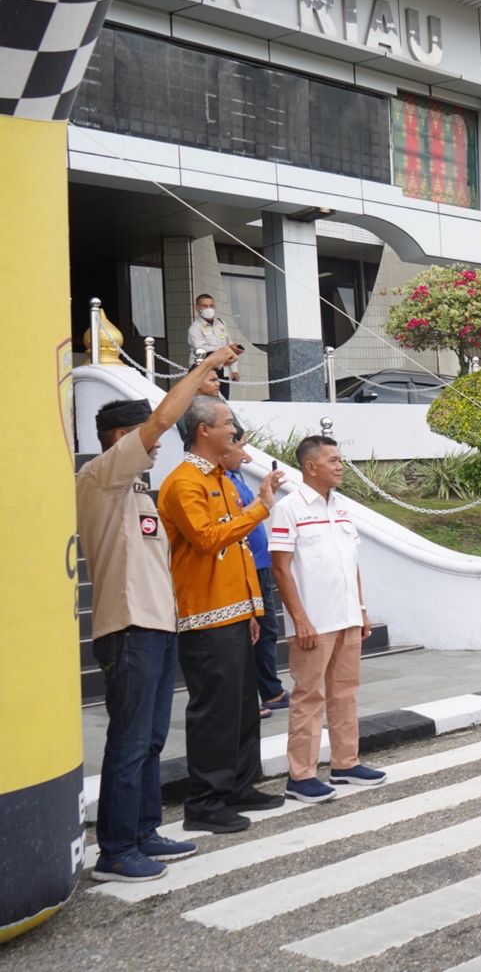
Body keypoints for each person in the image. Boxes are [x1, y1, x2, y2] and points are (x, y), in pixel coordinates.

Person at [76, 344, 242, 882]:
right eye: (146, 437)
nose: (156, 446)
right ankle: (116, 850)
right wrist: (203, 368)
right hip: (127, 629)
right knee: (128, 741)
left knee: (149, 740)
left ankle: (144, 831)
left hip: (157, 627)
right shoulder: (102, 477)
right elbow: (167, 415)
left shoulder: (141, 494)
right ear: (124, 440)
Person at [159, 395, 285, 833]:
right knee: (215, 711)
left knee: (242, 708)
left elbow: (240, 552)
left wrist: (253, 609)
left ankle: (238, 786)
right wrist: (260, 508)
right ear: (203, 431)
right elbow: (209, 539)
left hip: (235, 611)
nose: (235, 431)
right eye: (228, 423)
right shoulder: (183, 484)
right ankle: (206, 802)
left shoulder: (223, 480)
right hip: (205, 615)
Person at [270, 435, 386, 803]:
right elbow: (280, 569)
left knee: (345, 694)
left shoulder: (341, 507)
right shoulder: (289, 509)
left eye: (339, 459)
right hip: (314, 622)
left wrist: (361, 609)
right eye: (333, 460)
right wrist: (299, 619)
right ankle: (300, 775)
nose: (339, 466)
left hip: (347, 616)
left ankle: (345, 763)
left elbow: (350, 564)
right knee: (308, 696)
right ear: (311, 466)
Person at [220, 434, 289, 719]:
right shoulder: (220, 482)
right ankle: (256, 696)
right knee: (255, 632)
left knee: (267, 629)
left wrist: (266, 492)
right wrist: (263, 498)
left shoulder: (235, 477)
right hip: (244, 566)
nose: (246, 455)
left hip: (258, 564)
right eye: (239, 446)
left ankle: (270, 690)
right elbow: (235, 522)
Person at [187, 294, 238, 397]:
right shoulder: (195, 328)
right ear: (197, 308)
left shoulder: (221, 323)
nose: (209, 309)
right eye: (205, 306)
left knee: (224, 402)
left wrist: (234, 369)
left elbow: (230, 345)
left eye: (211, 305)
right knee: (207, 404)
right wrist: (224, 350)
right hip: (204, 370)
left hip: (223, 369)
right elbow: (200, 348)